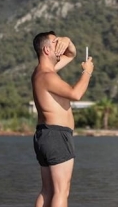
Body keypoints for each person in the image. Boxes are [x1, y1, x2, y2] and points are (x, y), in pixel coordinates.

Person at [31, 31, 94, 207]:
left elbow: (71, 54)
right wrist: (87, 72)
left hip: (45, 135)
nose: (59, 45)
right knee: (61, 191)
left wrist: (68, 41)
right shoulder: (47, 76)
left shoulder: (41, 72)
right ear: (46, 50)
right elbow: (76, 94)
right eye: (55, 42)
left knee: (47, 191)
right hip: (56, 136)